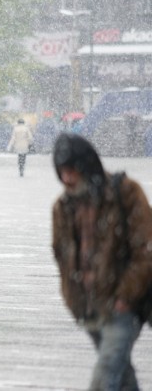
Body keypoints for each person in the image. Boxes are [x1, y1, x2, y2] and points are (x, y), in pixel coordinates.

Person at [51, 133, 152, 390]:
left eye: (72, 171)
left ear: (87, 165)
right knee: (122, 374)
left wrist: (125, 295)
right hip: (90, 307)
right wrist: (74, 299)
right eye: (62, 172)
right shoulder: (63, 208)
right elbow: (62, 256)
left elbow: (146, 249)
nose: (67, 179)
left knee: (106, 374)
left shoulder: (126, 193)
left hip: (123, 305)